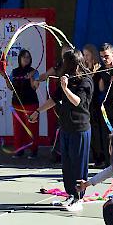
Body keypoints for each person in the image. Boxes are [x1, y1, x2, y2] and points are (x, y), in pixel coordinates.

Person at [29, 49, 93, 212]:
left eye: (65, 62)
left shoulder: (85, 81)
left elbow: (78, 101)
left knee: (78, 165)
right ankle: (71, 194)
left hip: (79, 128)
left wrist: (65, 87)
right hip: (65, 127)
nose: (62, 65)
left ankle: (79, 198)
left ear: (72, 64)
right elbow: (54, 99)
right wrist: (38, 111)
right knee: (67, 164)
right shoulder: (66, 79)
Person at [6, 49, 40, 159]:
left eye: (28, 57)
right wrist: (5, 77)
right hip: (16, 104)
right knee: (18, 128)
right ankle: (19, 150)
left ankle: (33, 151)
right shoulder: (14, 72)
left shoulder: (34, 72)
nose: (26, 59)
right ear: (20, 58)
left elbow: (35, 87)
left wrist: (31, 78)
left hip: (31, 104)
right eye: (24, 57)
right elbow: (10, 87)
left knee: (32, 128)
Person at [83, 43, 106, 167]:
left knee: (97, 130)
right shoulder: (82, 69)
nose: (85, 57)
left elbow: (101, 88)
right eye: (84, 55)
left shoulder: (100, 69)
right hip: (86, 102)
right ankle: (93, 155)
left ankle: (100, 156)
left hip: (95, 102)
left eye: (87, 55)